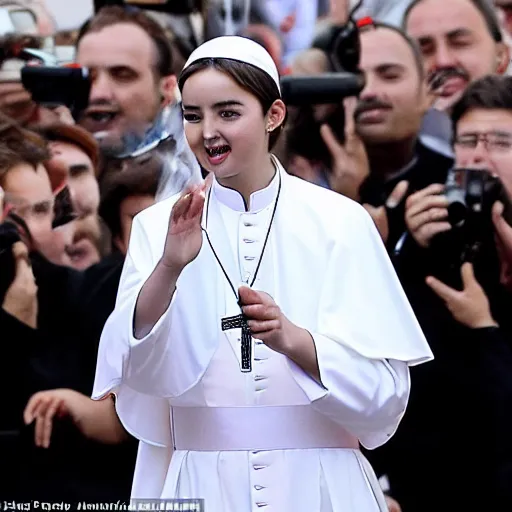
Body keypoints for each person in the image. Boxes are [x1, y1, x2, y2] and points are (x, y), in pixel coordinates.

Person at [92, 36, 433, 510]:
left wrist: (295, 340)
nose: (207, 132)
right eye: (193, 115)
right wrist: (170, 265)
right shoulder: (157, 226)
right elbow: (134, 375)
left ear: (274, 114)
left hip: (320, 485)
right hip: (203, 484)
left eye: (228, 113)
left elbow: (386, 398)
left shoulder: (341, 221)